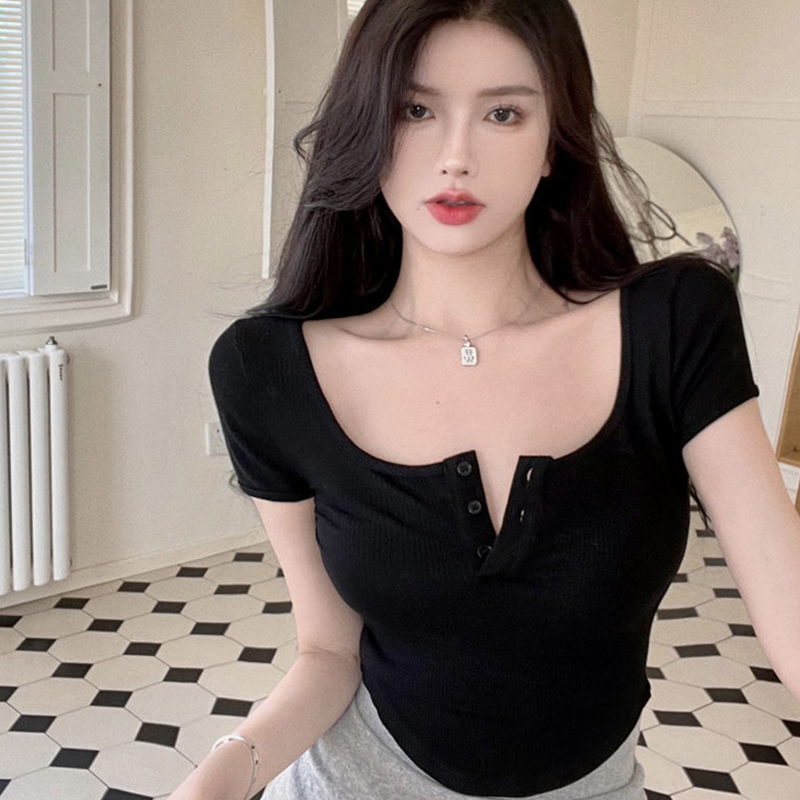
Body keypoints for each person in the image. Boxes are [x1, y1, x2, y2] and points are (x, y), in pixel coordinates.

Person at [171, 1, 800, 798]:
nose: (455, 157)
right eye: (415, 110)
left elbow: (785, 597)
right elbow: (328, 650)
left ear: (553, 141)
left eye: (503, 113)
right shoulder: (268, 370)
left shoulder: (673, 324)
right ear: (369, 127)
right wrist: (223, 774)